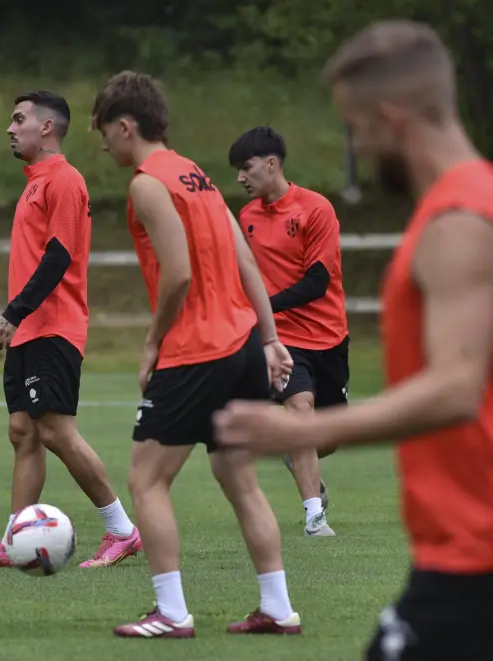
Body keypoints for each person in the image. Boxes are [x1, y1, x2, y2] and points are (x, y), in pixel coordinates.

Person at [215, 20, 493, 661]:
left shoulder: (457, 221)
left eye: (358, 131)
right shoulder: (466, 202)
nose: (359, 150)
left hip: (475, 554)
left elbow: (457, 389)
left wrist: (296, 433)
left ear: (392, 120)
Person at [90, 71, 301, 638]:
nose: (103, 143)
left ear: (126, 126)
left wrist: (153, 342)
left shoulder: (146, 183)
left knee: (145, 480)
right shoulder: (200, 177)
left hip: (196, 350)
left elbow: (178, 274)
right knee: (239, 478)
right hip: (239, 347)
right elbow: (247, 263)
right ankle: (278, 608)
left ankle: (171, 613)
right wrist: (270, 338)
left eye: (105, 131)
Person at [0, 91, 141, 570]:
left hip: (52, 326)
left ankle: (122, 530)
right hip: (28, 331)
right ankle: (14, 539)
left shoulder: (64, 180)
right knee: (23, 432)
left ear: (47, 128)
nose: (10, 128)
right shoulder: (34, 182)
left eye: (18, 119)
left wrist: (15, 312)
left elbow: (59, 256)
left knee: (56, 430)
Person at [228, 125, 345, 537]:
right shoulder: (246, 217)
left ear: (272, 163)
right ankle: (315, 516)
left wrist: (262, 304)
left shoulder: (316, 209)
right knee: (300, 408)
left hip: (330, 336)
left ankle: (300, 457)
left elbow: (317, 283)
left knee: (324, 436)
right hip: (281, 338)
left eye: (246, 168)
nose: (240, 178)